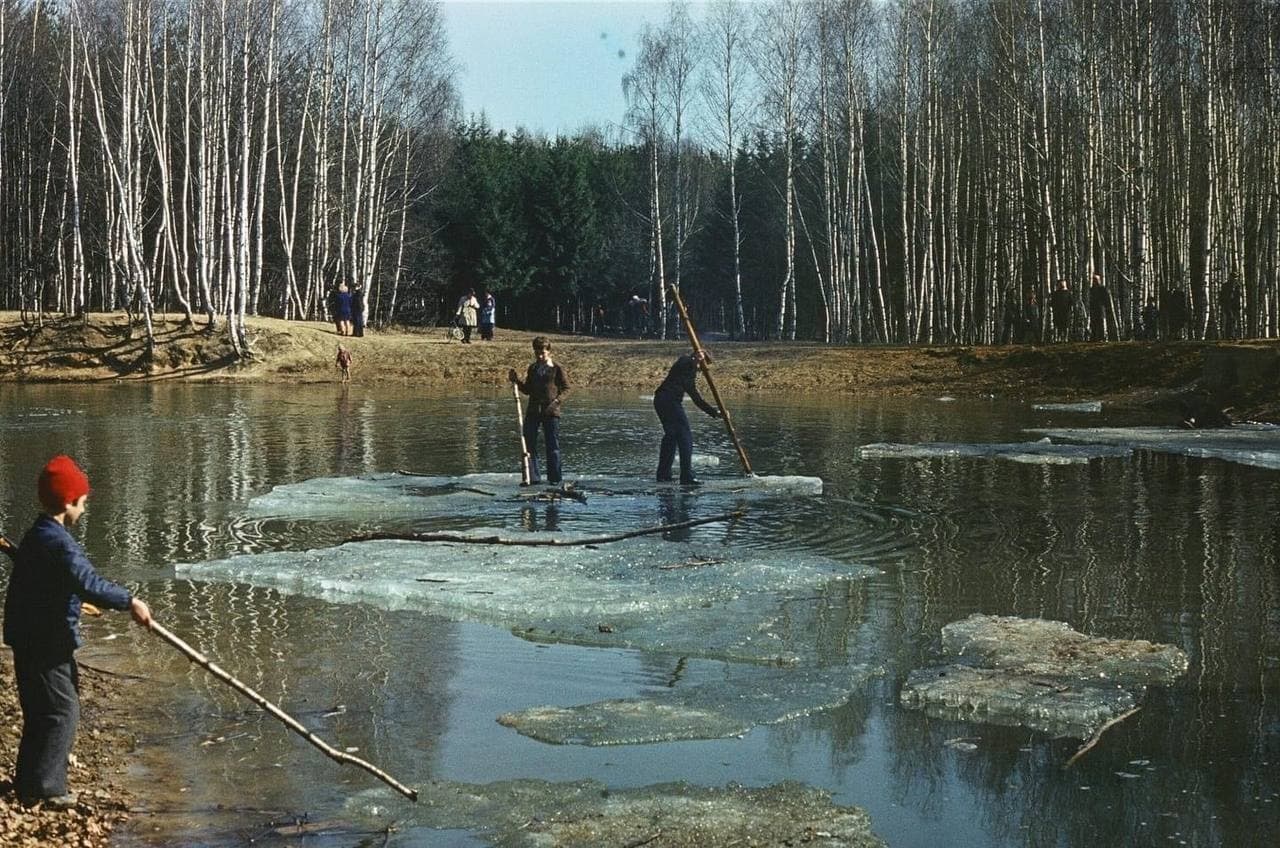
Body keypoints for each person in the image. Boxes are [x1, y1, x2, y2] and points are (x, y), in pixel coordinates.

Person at [3, 455, 152, 809]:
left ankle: (28, 783)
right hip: (45, 643)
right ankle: (49, 789)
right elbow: (88, 583)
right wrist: (130, 601)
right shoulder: (60, 544)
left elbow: (56, 581)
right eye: (82, 503)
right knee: (61, 712)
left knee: (42, 711)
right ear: (68, 502)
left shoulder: (39, 534)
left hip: (31, 638)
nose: (84, 509)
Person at [653, 349, 722, 486]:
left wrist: (715, 413)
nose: (700, 370)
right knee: (685, 437)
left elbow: (697, 399)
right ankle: (687, 477)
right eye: (701, 366)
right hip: (667, 400)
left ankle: (663, 475)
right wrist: (695, 358)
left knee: (671, 437)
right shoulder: (685, 362)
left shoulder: (689, 377)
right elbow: (684, 361)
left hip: (663, 400)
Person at [509, 337, 569, 486]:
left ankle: (554, 479)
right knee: (529, 444)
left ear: (549, 351)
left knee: (552, 446)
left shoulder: (556, 368)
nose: (540, 356)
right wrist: (517, 381)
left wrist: (555, 403)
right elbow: (528, 390)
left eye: (543, 352)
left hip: (551, 412)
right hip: (533, 411)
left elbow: (567, 389)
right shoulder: (533, 368)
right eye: (537, 353)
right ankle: (533, 477)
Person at [1088, 274, 1111, 341]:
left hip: (1101, 308)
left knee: (1101, 323)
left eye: (1096, 280)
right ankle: (1094, 337)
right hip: (1093, 309)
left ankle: (1103, 337)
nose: (1095, 281)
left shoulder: (1102, 289)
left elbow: (1106, 299)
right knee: (1093, 323)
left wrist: (1107, 307)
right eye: (1094, 280)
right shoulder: (1091, 289)